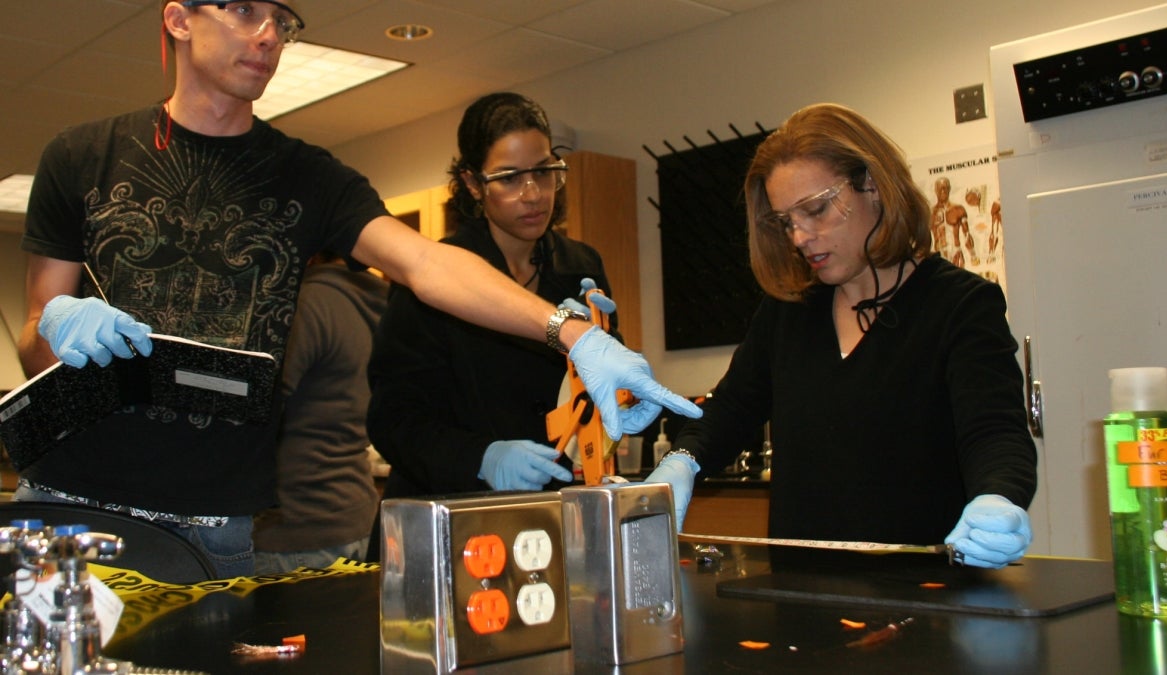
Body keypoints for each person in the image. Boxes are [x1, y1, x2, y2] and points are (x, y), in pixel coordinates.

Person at [16, 1, 700, 579]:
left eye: (282, 20)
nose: (268, 35)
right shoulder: (82, 156)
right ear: (179, 19)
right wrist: (56, 326)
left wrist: (573, 332)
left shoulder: (308, 177)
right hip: (70, 496)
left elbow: (428, 265)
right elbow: (35, 338)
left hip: (216, 524)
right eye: (243, 8)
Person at [645, 103, 1037, 569]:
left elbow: (995, 432)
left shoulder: (960, 305)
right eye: (786, 221)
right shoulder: (789, 313)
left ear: (873, 184)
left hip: (924, 598)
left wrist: (999, 497)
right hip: (802, 598)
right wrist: (684, 460)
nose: (799, 237)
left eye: (815, 210)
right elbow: (731, 411)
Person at [367, 92, 615, 506]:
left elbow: (596, 394)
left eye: (543, 171)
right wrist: (481, 458)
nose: (533, 193)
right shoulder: (438, 275)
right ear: (472, 183)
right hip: (455, 507)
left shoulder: (581, 266)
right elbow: (393, 419)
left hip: (553, 506)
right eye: (510, 178)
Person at [252, 252, 385, 574]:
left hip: (297, 523)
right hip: (355, 510)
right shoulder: (380, 302)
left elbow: (261, 409)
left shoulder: (305, 304)